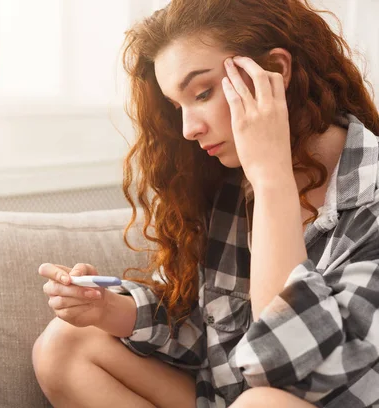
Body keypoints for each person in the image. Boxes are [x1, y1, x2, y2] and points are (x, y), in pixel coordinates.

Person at [32, 0, 379, 407]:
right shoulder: (227, 186)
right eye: (178, 106)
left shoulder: (367, 200)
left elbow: (287, 370)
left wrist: (272, 180)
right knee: (64, 345)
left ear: (276, 70)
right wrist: (108, 310)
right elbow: (211, 336)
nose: (189, 129)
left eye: (202, 92)